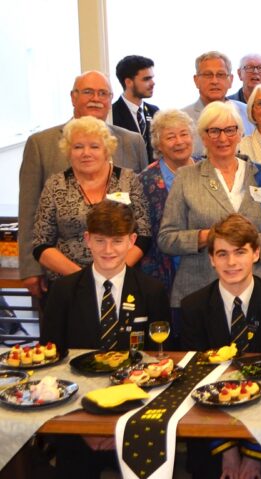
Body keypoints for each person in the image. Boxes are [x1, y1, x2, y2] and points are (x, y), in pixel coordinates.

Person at [179, 213, 261, 479]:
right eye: (222, 254)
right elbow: (193, 383)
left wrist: (252, 453)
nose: (231, 263)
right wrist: (227, 448)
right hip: (211, 434)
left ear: (256, 253)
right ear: (211, 259)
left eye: (240, 252)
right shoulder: (192, 307)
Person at [19, 70, 148, 298]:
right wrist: (30, 268)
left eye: (103, 93)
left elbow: (142, 220)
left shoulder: (132, 141)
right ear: (72, 97)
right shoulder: (41, 144)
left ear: (110, 99)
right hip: (63, 278)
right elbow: (28, 211)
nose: (96, 98)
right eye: (88, 92)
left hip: (122, 276)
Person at [158, 101, 261, 311]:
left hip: (255, 292)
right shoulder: (186, 178)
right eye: (214, 131)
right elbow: (166, 239)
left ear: (241, 133)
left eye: (230, 130)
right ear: (203, 136)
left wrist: (244, 245)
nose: (223, 138)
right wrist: (210, 237)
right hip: (200, 291)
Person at [32, 116, 151, 282]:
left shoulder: (128, 180)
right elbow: (41, 244)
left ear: (106, 150)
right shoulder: (55, 185)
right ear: (68, 151)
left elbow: (144, 235)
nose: (86, 153)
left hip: (121, 279)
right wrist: (85, 278)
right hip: (69, 282)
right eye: (78, 147)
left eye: (94, 146)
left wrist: (113, 274)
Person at [41, 201, 168, 353]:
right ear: (88, 239)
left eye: (117, 241)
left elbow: (161, 352)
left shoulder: (152, 291)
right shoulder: (63, 290)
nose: (108, 250)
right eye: (100, 241)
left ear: (131, 241)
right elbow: (49, 350)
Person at [138, 109, 196, 295]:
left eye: (184, 134)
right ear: (158, 144)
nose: (179, 142)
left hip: (206, 269)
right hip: (162, 272)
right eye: (170, 137)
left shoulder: (208, 169)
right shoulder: (144, 181)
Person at [181, 51, 253, 158]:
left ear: (231, 80)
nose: (214, 81)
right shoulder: (183, 118)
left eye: (220, 75)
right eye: (207, 75)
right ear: (196, 80)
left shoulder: (247, 113)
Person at [112, 55, 158, 158]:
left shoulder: (155, 112)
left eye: (152, 78)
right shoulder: (112, 115)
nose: (153, 83)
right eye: (146, 79)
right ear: (128, 82)